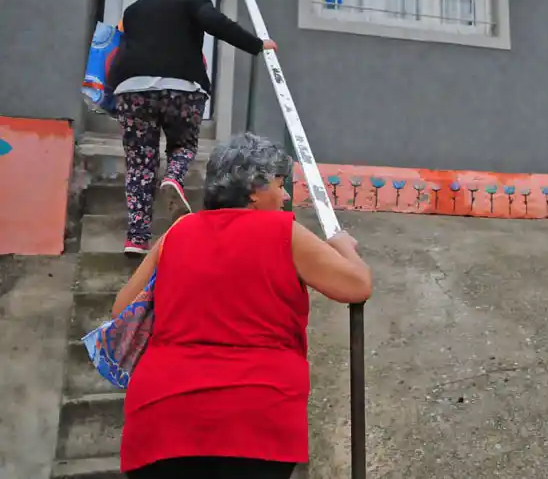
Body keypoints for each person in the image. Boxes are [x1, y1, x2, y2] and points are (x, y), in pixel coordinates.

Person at [113, 132, 373, 479]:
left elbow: (122, 312)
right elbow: (357, 286)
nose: (283, 197)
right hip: (255, 418)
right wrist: (343, 245)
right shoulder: (283, 233)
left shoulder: (178, 232)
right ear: (253, 188)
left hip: (161, 415)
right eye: (279, 185)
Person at [108, 0, 278, 255]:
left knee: (139, 163)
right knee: (183, 146)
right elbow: (217, 24)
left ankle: (136, 238)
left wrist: (111, 92)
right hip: (182, 88)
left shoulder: (135, 9)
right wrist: (257, 44)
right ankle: (173, 176)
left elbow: (117, 47)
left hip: (132, 90)